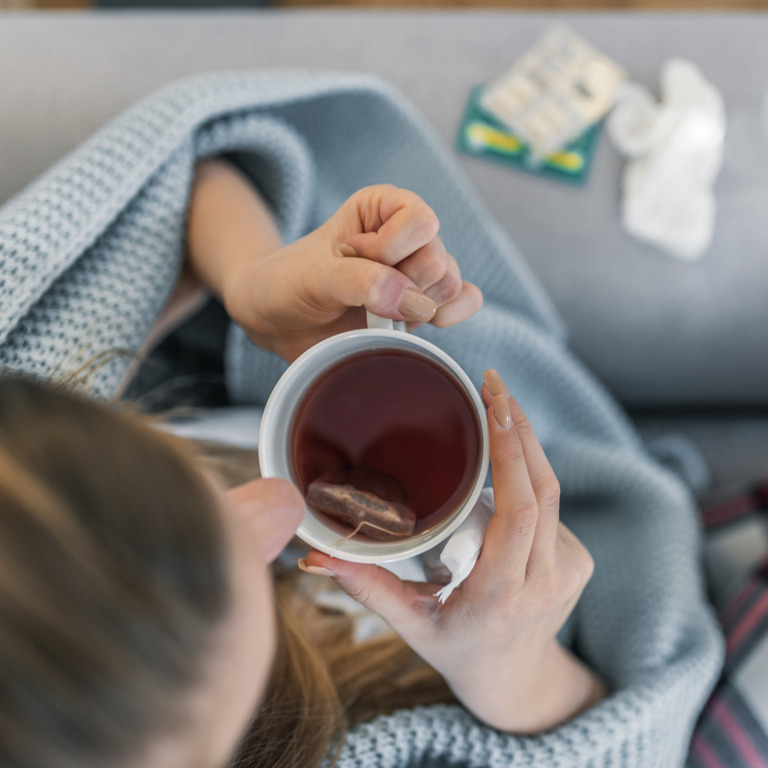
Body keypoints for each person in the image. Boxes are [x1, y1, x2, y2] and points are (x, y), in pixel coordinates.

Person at [0, 158, 606, 768]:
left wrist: (250, 283)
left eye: (199, 497)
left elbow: (178, 177)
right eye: (243, 550)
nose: (284, 502)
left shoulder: (32, 423)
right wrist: (519, 682)